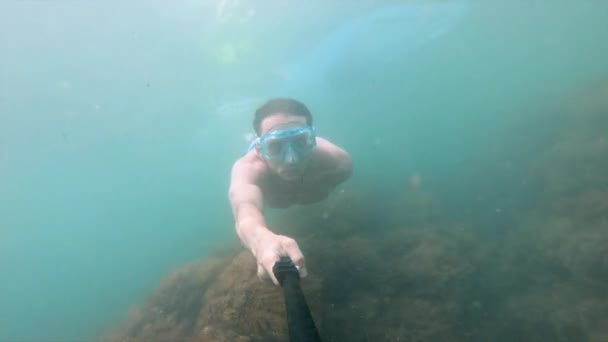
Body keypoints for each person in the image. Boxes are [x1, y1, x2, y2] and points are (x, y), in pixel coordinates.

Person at [228, 98, 352, 285]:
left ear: (313, 141)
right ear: (260, 150)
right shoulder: (248, 170)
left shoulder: (338, 163)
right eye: (276, 147)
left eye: (301, 142)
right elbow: (244, 213)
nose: (291, 160)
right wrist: (261, 240)